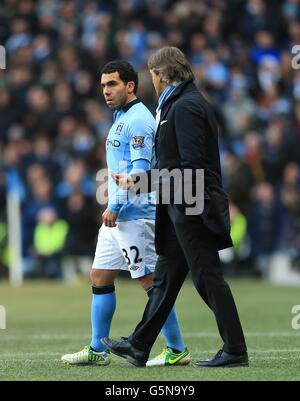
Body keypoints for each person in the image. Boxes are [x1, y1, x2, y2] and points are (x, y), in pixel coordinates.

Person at [102, 48, 248, 368]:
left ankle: (235, 349)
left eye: (151, 74)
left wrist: (141, 182)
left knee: (207, 278)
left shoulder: (186, 107)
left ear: (160, 74)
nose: (150, 80)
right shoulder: (177, 104)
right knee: (165, 281)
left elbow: (191, 168)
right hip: (177, 204)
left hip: (191, 204)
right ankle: (139, 346)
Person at [61, 60, 190, 367]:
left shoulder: (139, 120)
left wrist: (114, 206)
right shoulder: (122, 116)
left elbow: (140, 170)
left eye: (112, 84)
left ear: (130, 86)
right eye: (103, 85)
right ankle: (97, 349)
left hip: (135, 213)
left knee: (150, 282)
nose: (105, 91)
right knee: (100, 276)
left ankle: (176, 348)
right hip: (119, 214)